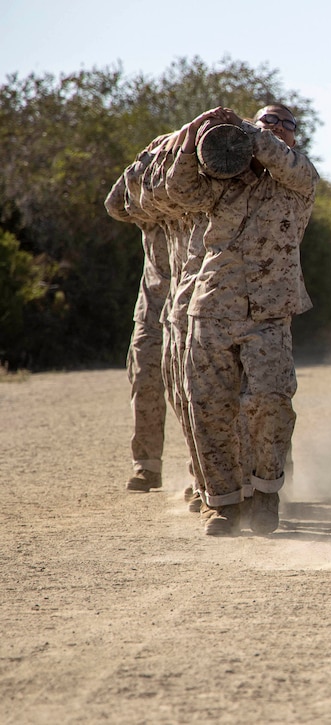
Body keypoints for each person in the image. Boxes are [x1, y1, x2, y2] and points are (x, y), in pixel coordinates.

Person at [166, 103, 319, 536]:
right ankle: (224, 504)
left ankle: (266, 495)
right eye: (265, 120)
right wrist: (194, 133)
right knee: (210, 408)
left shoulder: (298, 179)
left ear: (293, 135)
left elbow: (280, 158)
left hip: (270, 313)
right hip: (211, 306)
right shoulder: (220, 181)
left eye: (282, 123)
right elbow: (179, 190)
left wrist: (252, 131)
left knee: (270, 402)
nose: (273, 128)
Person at [104, 145, 171, 493]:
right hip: (153, 307)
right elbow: (114, 204)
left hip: (197, 308)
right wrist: (146, 156)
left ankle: (200, 474)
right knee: (145, 379)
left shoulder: (199, 203)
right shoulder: (148, 208)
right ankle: (147, 466)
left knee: (196, 392)